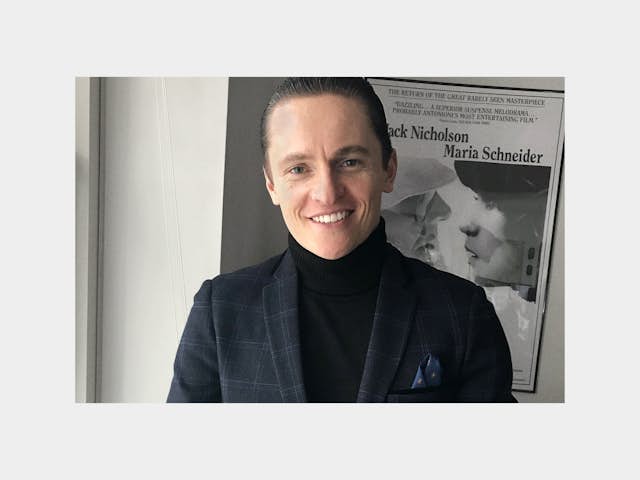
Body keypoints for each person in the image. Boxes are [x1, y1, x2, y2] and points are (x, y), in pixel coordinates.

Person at [167, 78, 515, 402]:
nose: (327, 193)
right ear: (272, 184)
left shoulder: (462, 313)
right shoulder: (221, 311)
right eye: (298, 169)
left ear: (388, 169)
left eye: (349, 162)